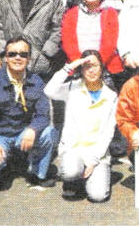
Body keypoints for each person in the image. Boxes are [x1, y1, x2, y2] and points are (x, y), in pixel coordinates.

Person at [0, 36, 56, 189]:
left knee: (48, 132)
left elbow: (44, 114)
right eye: (12, 54)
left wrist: (33, 129)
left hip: (22, 133)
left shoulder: (36, 81)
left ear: (29, 58)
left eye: (23, 54)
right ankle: (2, 169)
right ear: (6, 58)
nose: (18, 57)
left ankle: (37, 174)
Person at [44, 50, 117, 202]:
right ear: (81, 69)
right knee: (71, 171)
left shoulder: (111, 96)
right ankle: (73, 181)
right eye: (86, 66)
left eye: (95, 66)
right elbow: (48, 91)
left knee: (98, 196)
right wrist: (71, 66)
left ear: (101, 67)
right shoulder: (72, 88)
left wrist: (94, 160)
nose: (91, 70)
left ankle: (91, 175)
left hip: (97, 153)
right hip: (73, 149)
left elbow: (108, 132)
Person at [60, 0, 123, 89]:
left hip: (106, 69)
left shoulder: (110, 13)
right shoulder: (71, 14)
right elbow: (68, 42)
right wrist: (82, 66)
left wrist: (96, 65)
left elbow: (110, 43)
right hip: (77, 68)